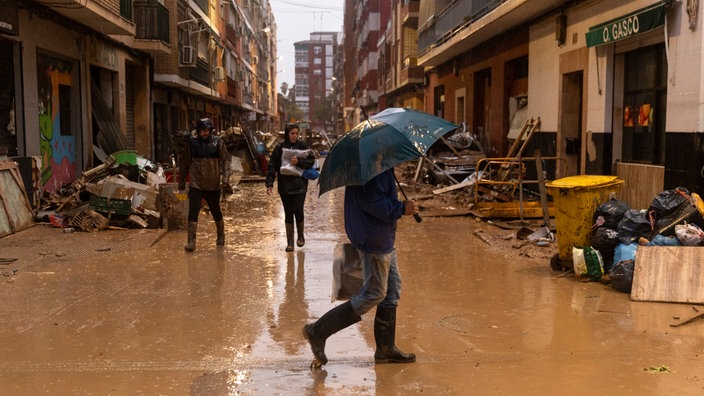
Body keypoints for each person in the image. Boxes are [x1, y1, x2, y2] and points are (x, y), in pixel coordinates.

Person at [302, 152, 419, 367]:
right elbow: (375, 204)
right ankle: (318, 331)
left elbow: (382, 200)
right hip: (374, 239)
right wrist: (402, 209)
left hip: (382, 237)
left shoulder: (380, 166)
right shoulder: (370, 171)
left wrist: (400, 205)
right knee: (374, 293)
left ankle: (385, 349)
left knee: (391, 291)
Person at [178, 118, 230, 252]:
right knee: (193, 211)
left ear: (211, 131)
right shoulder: (192, 143)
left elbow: (225, 161)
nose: (205, 133)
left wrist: (225, 178)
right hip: (196, 184)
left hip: (213, 184)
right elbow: (185, 162)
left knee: (216, 211)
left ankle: (220, 235)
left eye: (207, 131)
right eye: (202, 131)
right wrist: (181, 182)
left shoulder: (218, 142)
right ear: (199, 131)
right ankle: (191, 241)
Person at [265, 124, 315, 252]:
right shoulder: (280, 147)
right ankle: (290, 243)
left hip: (300, 186)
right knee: (288, 213)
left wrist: (299, 162)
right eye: (292, 133)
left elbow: (311, 161)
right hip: (284, 186)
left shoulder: (303, 146)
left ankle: (301, 236)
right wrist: (269, 183)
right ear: (287, 133)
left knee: (298, 210)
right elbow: (272, 165)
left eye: (296, 133)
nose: (294, 136)